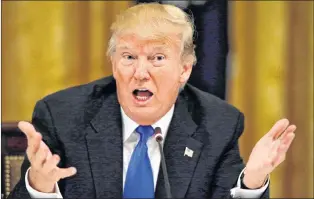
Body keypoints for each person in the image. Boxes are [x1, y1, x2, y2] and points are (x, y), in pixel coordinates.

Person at [8, 2, 296, 199]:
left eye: (157, 58)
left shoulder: (217, 124)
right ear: (113, 63)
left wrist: (252, 182)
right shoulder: (63, 115)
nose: (140, 73)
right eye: (129, 57)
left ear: (184, 69)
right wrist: (41, 185)